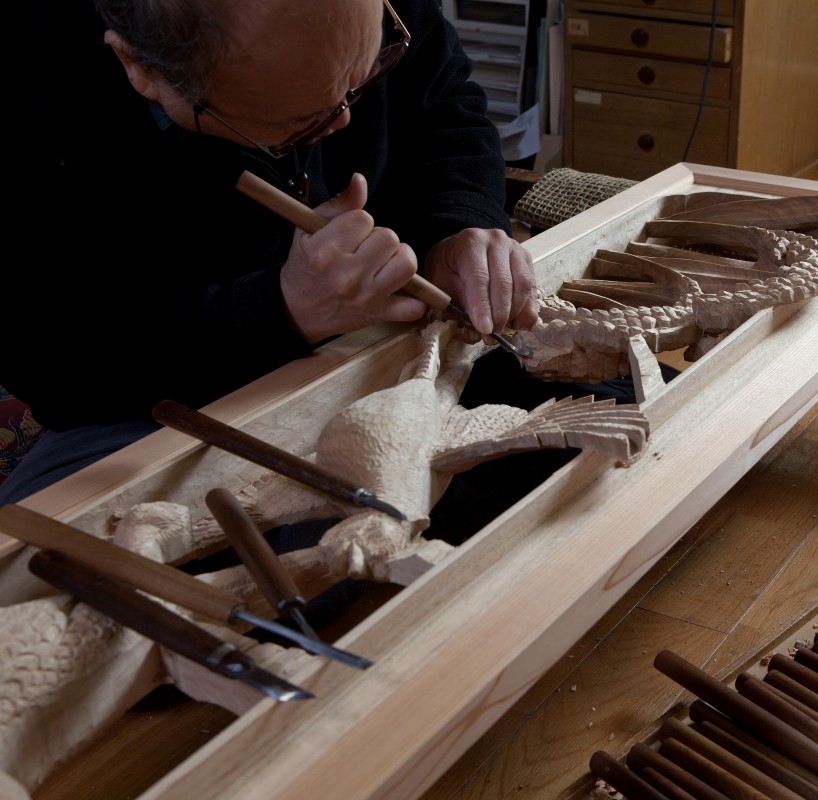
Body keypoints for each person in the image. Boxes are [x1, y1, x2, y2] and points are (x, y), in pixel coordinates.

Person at [3, 0, 541, 505]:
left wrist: (461, 219)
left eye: (364, 75)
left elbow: (442, 96)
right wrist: (282, 309)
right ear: (140, 67)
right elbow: (59, 368)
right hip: (174, 388)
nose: (343, 123)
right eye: (298, 125)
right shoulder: (41, 86)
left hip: (388, 336)